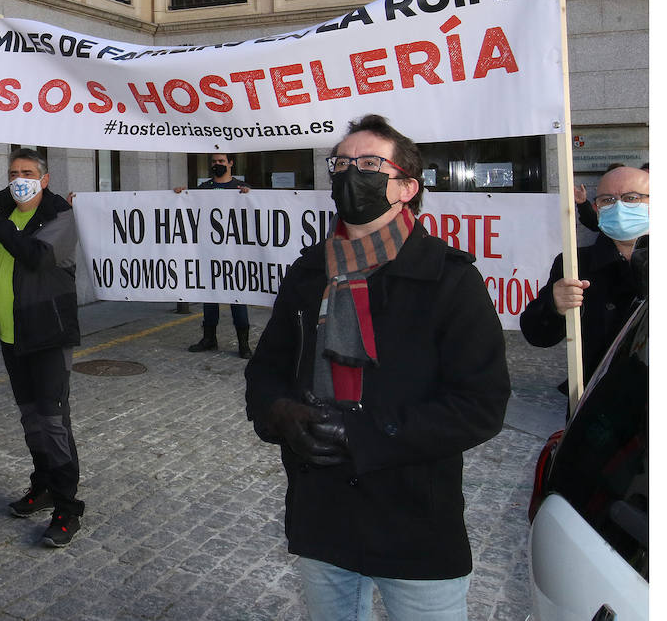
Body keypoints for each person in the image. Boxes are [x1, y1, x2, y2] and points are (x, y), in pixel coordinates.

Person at [244, 115, 510, 619]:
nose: (350, 174)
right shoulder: (308, 272)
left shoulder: (449, 280)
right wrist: (280, 414)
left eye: (368, 164)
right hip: (321, 510)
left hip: (414, 518)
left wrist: (362, 433)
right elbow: (265, 369)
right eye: (340, 164)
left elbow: (481, 405)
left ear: (407, 187)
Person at [0, 149, 83, 548]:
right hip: (13, 336)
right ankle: (43, 483)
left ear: (44, 179)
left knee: (53, 421)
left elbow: (36, 257)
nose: (19, 178)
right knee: (31, 419)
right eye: (14, 172)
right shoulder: (1, 208)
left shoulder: (59, 216)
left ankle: (67, 507)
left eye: (28, 173)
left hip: (48, 334)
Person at [521, 164, 648, 395]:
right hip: (598, 404)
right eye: (607, 200)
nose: (619, 206)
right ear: (597, 209)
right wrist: (554, 305)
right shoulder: (574, 264)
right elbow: (536, 335)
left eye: (631, 198)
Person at [174, 152, 252, 357]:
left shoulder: (242, 188)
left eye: (221, 161)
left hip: (235, 253)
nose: (217, 165)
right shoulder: (204, 188)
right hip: (209, 252)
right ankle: (209, 338)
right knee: (209, 297)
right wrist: (181, 195)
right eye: (214, 162)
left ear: (231, 163)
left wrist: (249, 196)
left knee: (237, 297)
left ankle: (243, 343)